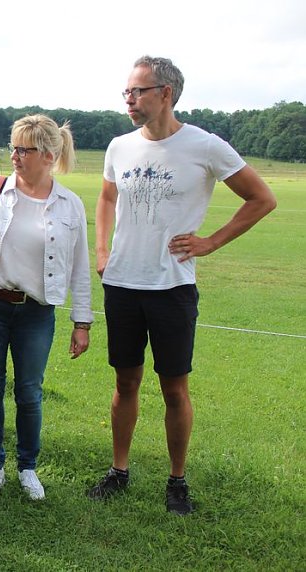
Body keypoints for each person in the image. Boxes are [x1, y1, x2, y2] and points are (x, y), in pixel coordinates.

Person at [90, 56, 277, 515]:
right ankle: (120, 470)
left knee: (174, 388)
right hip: (123, 284)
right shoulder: (119, 146)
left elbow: (261, 198)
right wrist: (101, 249)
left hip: (172, 287)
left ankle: (177, 481)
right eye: (127, 93)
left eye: (138, 92)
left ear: (166, 93)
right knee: (125, 381)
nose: (129, 100)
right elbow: (108, 195)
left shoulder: (206, 146)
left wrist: (211, 242)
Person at [0, 114, 93, 501]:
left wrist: (82, 321)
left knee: (29, 391)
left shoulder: (69, 205)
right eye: (13, 147)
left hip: (36, 313)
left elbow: (79, 267)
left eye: (23, 149)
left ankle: (28, 467)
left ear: (47, 155)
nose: (14, 156)